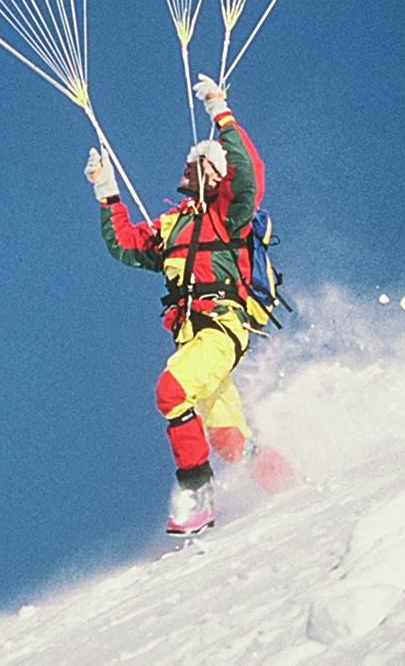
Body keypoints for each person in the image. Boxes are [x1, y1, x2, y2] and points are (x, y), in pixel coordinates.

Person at [85, 74, 274, 535]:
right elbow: (126, 245)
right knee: (228, 439)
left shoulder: (228, 216)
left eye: (199, 163)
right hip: (194, 337)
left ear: (215, 176)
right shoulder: (172, 227)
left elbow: (247, 172)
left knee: (171, 392)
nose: (188, 166)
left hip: (222, 327)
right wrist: (107, 191)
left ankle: (196, 495)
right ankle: (288, 484)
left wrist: (219, 108)